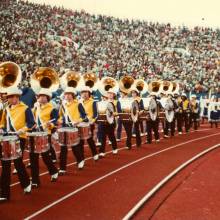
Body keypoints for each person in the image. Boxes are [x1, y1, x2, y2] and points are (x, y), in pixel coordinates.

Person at [0, 87, 34, 202]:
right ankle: (4, 193)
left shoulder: (25, 108)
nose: (12, 98)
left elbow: (31, 123)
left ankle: (26, 183)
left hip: (20, 138)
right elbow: (3, 123)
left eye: (14, 96)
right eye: (10, 97)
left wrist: (23, 129)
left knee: (18, 163)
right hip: (7, 138)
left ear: (18, 97)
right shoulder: (6, 109)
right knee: (5, 165)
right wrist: (1, 129)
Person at [30, 88, 59, 187]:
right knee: (33, 157)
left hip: (45, 134)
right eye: (39, 96)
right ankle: (35, 180)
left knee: (45, 156)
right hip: (34, 134)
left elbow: (55, 121)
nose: (40, 98)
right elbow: (31, 120)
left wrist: (50, 124)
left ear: (48, 98)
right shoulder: (35, 107)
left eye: (43, 96)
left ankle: (53, 171)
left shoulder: (52, 108)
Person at [58, 87, 88, 172]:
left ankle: (80, 160)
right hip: (64, 128)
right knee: (63, 148)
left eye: (69, 94)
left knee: (75, 147)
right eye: (66, 94)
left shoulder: (78, 104)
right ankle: (62, 168)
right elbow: (59, 116)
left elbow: (84, 117)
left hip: (74, 128)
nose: (67, 96)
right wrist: (60, 120)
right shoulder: (63, 105)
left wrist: (78, 121)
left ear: (73, 95)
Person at [79, 86, 99, 161]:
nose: (84, 94)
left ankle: (95, 154)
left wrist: (91, 122)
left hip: (89, 124)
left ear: (89, 93)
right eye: (83, 92)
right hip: (80, 124)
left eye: (86, 92)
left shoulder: (93, 102)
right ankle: (81, 157)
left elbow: (96, 114)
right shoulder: (79, 102)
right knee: (80, 141)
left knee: (89, 140)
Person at [99, 89, 119, 157]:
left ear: (114, 95)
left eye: (111, 93)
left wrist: (114, 113)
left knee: (111, 136)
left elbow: (118, 112)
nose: (110, 94)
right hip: (103, 121)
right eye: (109, 93)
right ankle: (102, 151)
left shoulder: (116, 102)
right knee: (103, 137)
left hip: (111, 121)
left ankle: (115, 148)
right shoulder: (103, 102)